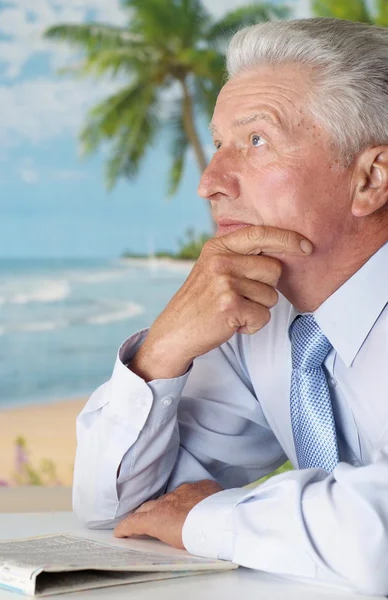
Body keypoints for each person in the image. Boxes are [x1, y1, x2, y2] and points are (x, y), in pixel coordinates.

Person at [73, 17, 388, 595]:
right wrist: (162, 350)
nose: (211, 180)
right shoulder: (262, 323)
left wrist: (209, 518)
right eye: (218, 143)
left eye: (256, 140)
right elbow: (120, 506)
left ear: (371, 177)